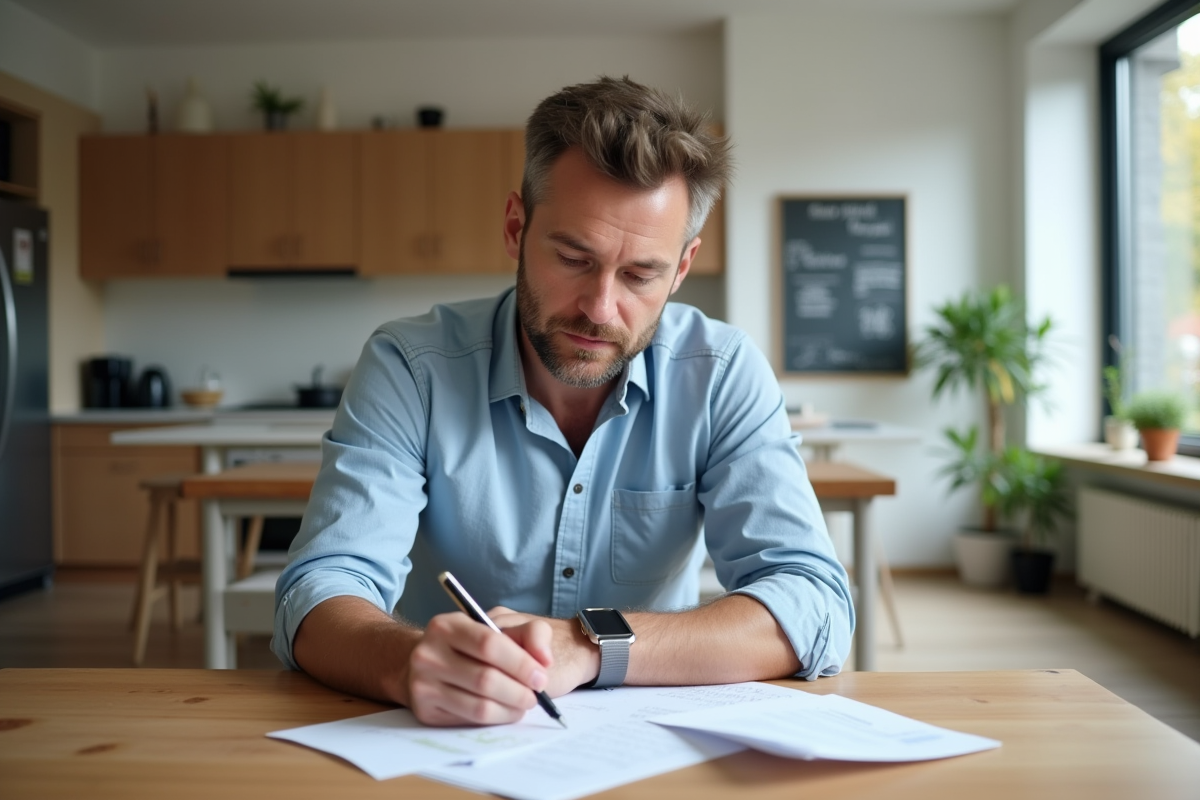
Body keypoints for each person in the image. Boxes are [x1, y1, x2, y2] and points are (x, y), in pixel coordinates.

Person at [272, 76, 853, 727]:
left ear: (682, 268)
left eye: (640, 275)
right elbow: (318, 591)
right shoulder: (411, 367)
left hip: (650, 741)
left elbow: (813, 603)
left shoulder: (720, 374)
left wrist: (589, 643)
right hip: (448, 734)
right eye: (574, 258)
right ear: (516, 228)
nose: (601, 309)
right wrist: (405, 663)